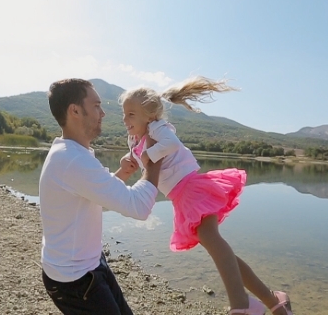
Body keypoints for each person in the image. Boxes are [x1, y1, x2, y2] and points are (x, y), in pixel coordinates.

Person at [119, 76, 293, 315]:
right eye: (124, 113)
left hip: (191, 188)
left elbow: (171, 144)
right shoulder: (136, 138)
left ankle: (242, 305)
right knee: (219, 249)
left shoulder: (157, 128)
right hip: (180, 197)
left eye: (131, 114)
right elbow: (146, 160)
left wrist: (148, 155)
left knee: (213, 241)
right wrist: (132, 159)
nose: (125, 119)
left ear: (149, 115)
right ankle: (273, 300)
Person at [39, 78, 163, 315]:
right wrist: (154, 158)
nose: (103, 113)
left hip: (87, 265)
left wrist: (121, 175)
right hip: (75, 280)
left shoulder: (70, 153)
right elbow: (140, 207)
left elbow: (87, 198)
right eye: (96, 105)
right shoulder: (73, 159)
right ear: (75, 110)